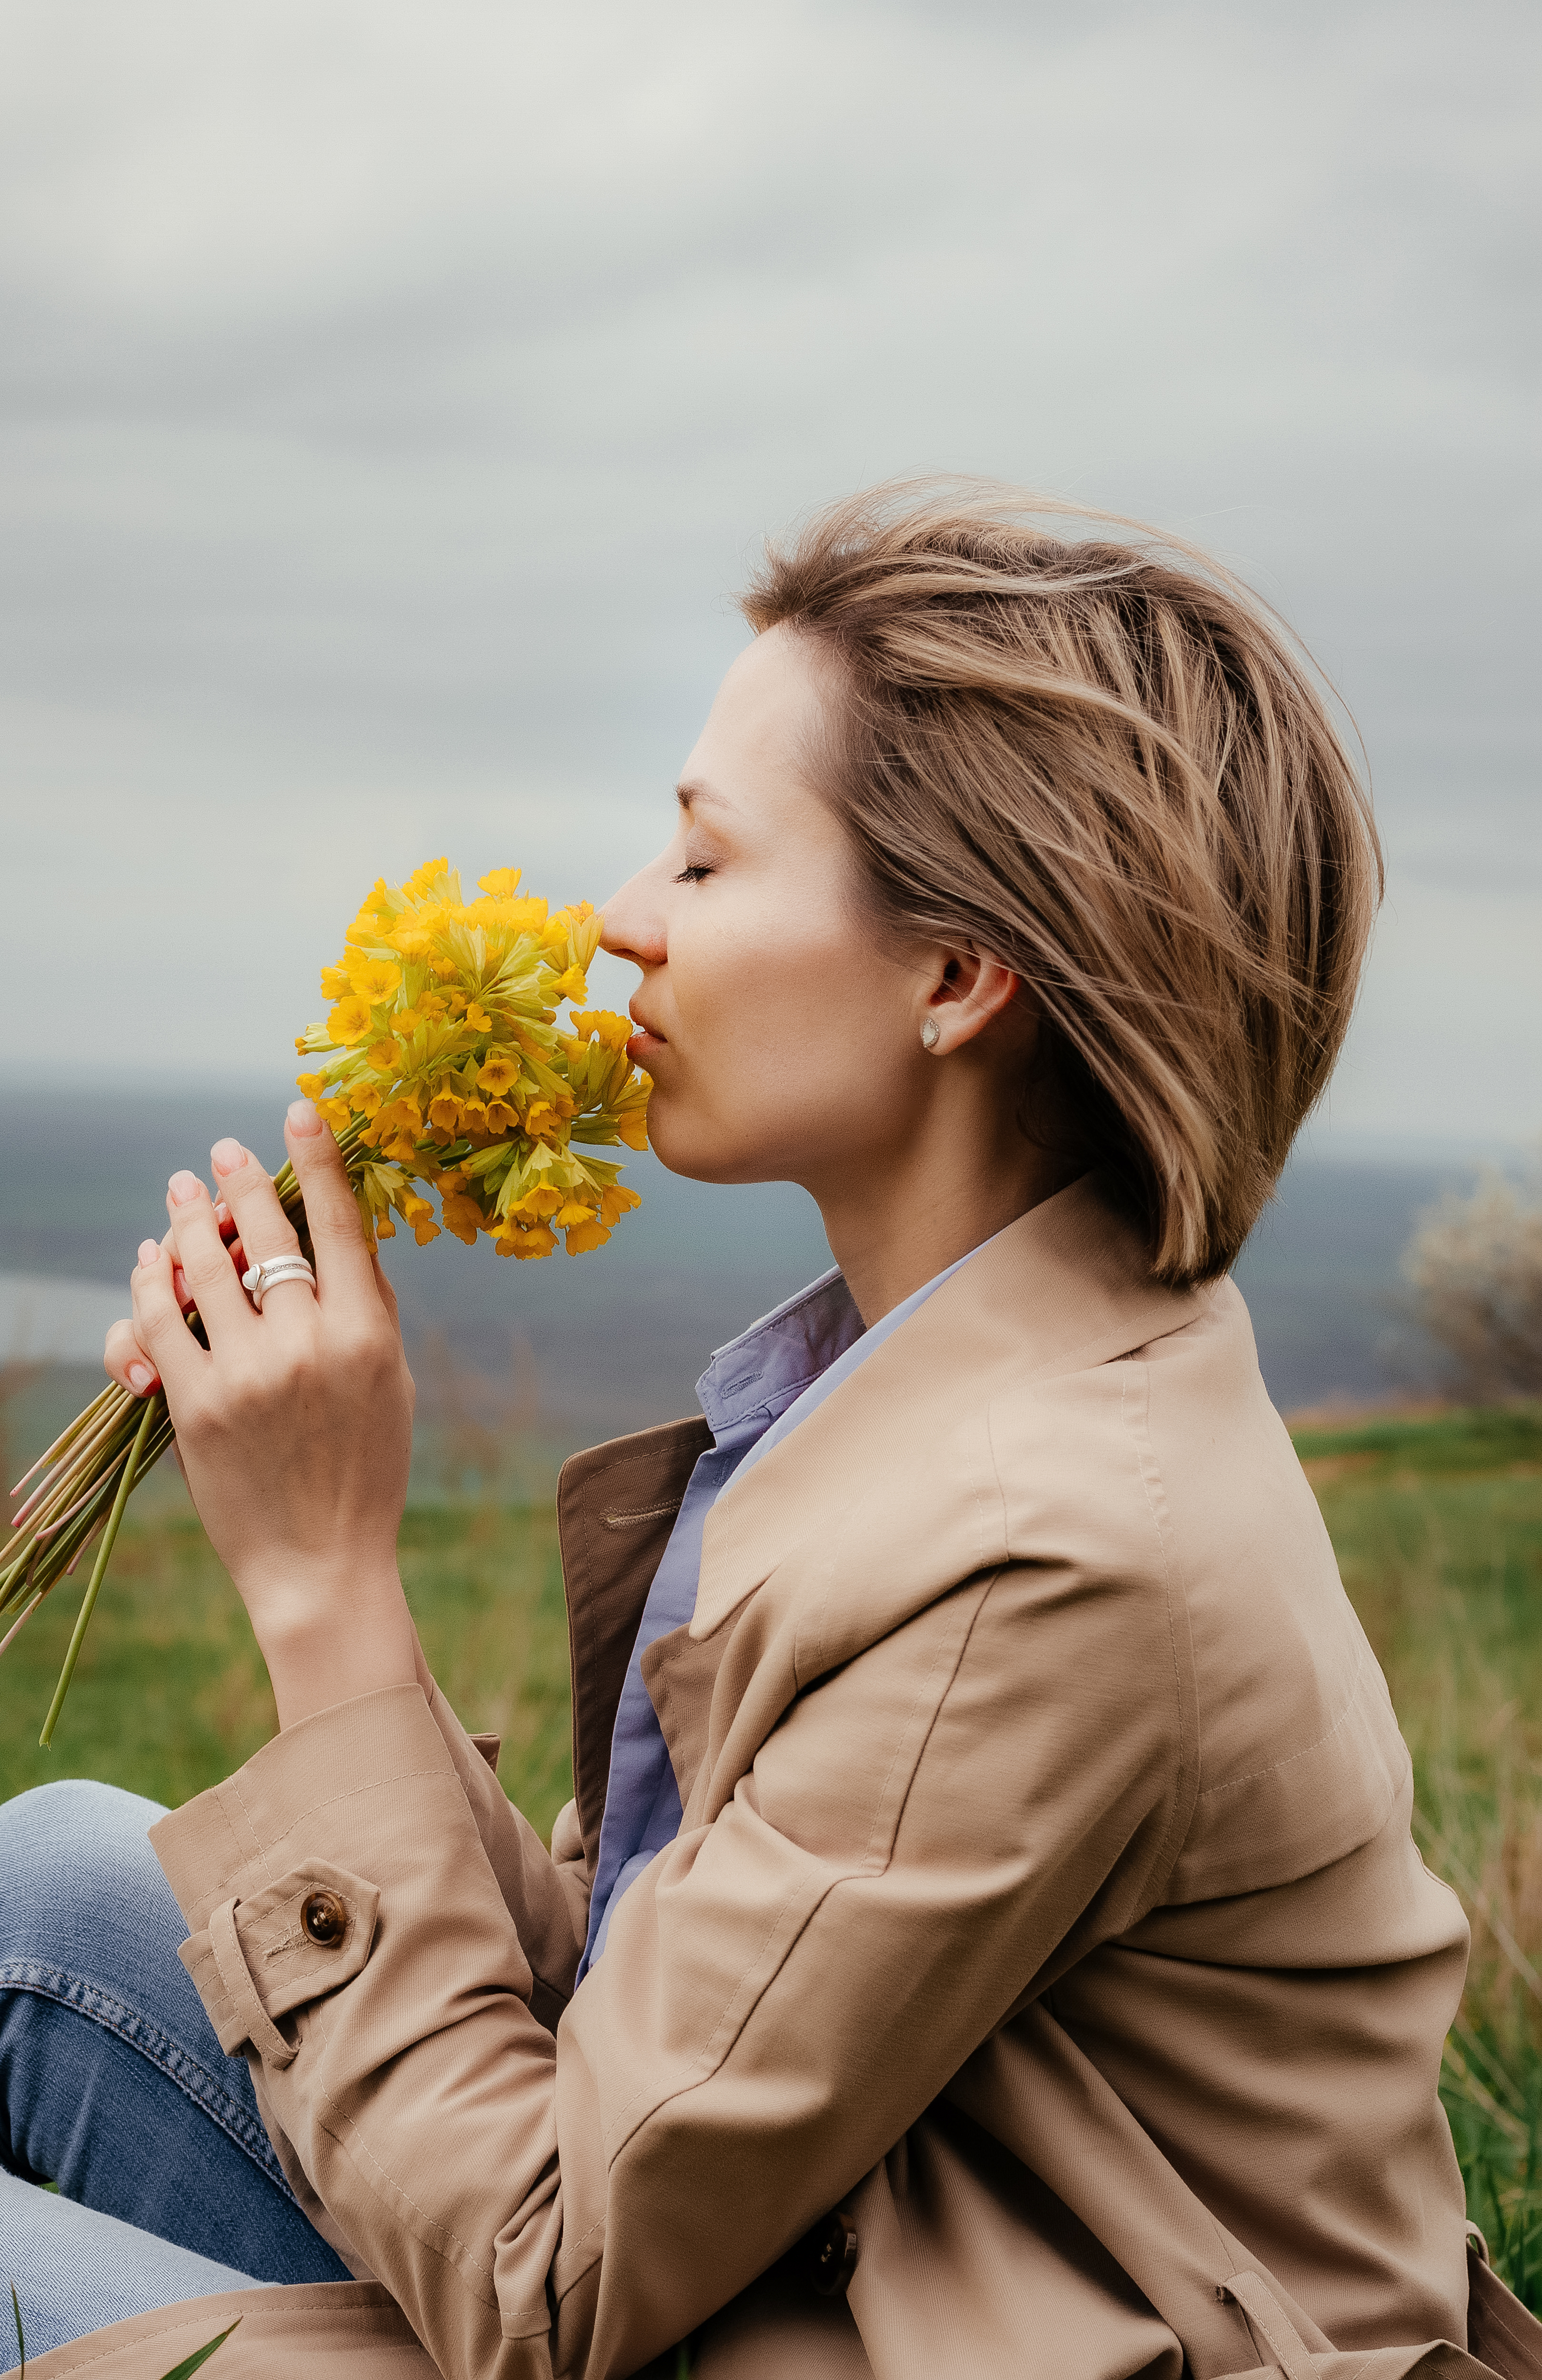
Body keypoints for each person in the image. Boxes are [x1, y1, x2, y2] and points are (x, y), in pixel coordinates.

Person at [0, 486, 1476, 2380]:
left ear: (955, 976)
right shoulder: (952, 1386)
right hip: (801, 2282)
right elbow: (669, 2018)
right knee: (51, 1874)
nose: (624, 919)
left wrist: (322, 1581)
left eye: (702, 863)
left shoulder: (1062, 1549)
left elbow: (547, 2289)